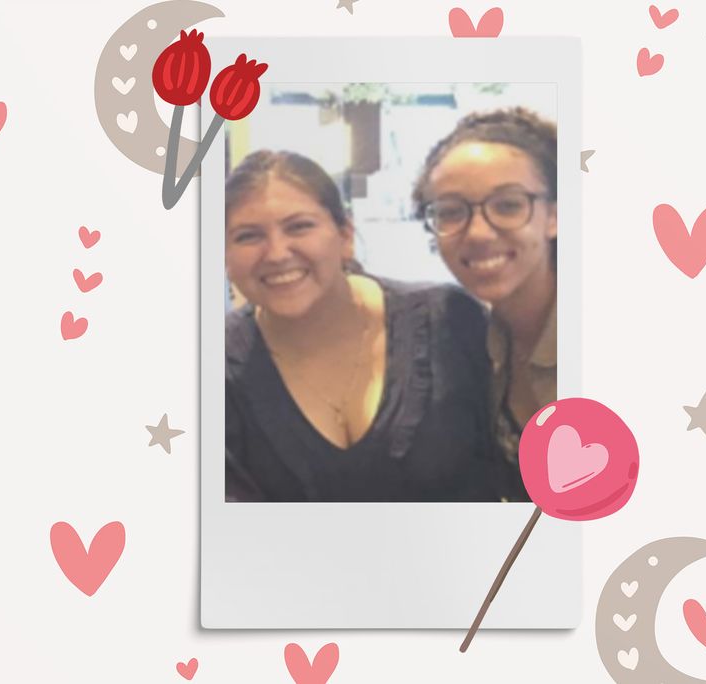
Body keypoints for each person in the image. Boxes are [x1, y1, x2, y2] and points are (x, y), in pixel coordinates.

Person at [224, 149, 499, 502]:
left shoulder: (450, 320)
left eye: (299, 226)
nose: (276, 253)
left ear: (345, 235)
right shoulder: (211, 373)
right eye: (248, 236)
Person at [412, 107, 558, 501]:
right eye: (451, 212)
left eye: (508, 205)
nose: (477, 233)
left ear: (555, 215)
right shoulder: (476, 338)